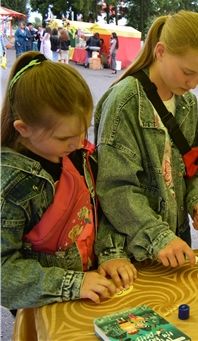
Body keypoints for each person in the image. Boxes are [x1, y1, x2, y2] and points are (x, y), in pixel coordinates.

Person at [0, 52, 137, 310]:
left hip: (91, 287)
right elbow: (3, 273)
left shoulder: (79, 154)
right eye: (65, 138)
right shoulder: (10, 184)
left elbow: (103, 210)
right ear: (23, 129)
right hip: (49, 304)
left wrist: (111, 254)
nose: (77, 143)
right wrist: (74, 284)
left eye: (83, 131)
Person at [94, 11, 198, 267]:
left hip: (175, 240)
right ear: (160, 51)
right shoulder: (124, 101)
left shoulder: (186, 102)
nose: (194, 83)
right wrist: (159, 236)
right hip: (132, 250)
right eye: (187, 72)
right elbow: (115, 187)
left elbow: (193, 163)